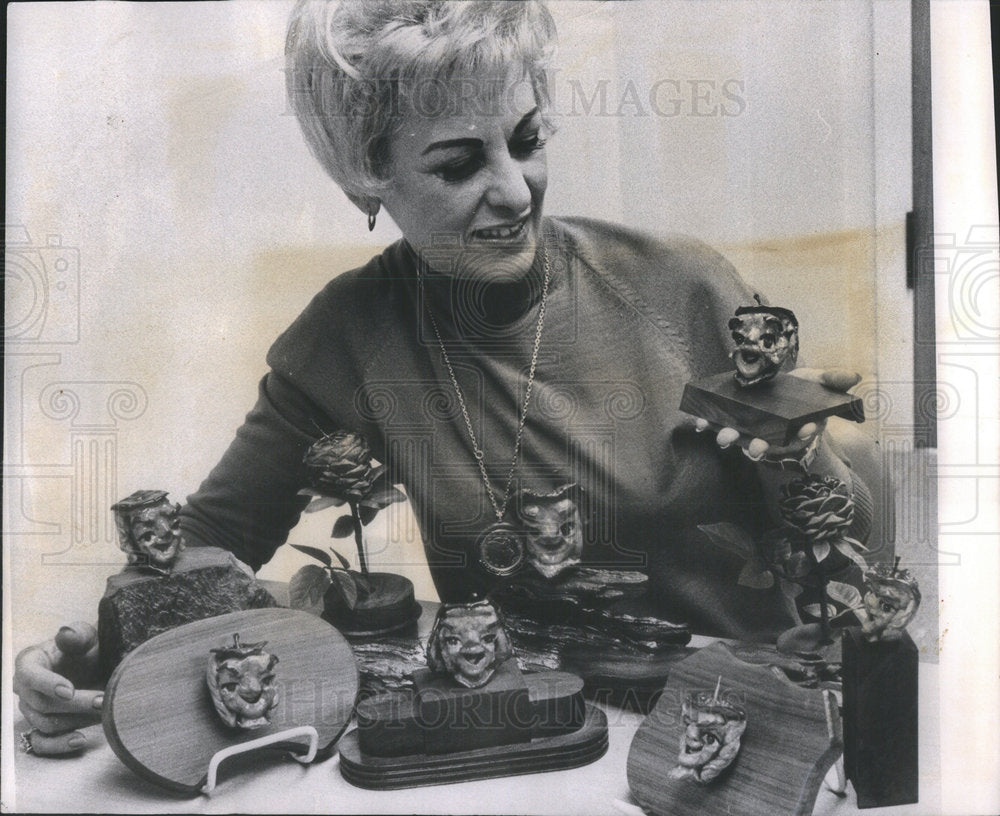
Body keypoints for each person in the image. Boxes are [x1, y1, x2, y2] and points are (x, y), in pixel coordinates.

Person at [14, 0, 886, 756]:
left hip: (740, 725)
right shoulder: (346, 336)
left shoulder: (680, 287)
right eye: (460, 163)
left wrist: (803, 460)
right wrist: (91, 654)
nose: (514, 192)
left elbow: (850, 553)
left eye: (528, 139)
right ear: (368, 173)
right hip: (516, 729)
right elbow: (214, 541)